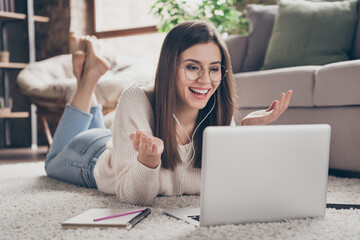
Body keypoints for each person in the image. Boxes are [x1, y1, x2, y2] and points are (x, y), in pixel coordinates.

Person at [45, 20, 292, 206]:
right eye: (192, 67)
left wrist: (244, 133)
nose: (205, 80)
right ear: (169, 67)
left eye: (214, 69)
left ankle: (88, 74)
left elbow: (228, 181)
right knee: (51, 162)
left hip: (117, 140)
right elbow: (135, 195)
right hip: (92, 156)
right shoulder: (135, 98)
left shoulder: (219, 109)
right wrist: (149, 162)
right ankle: (88, 81)